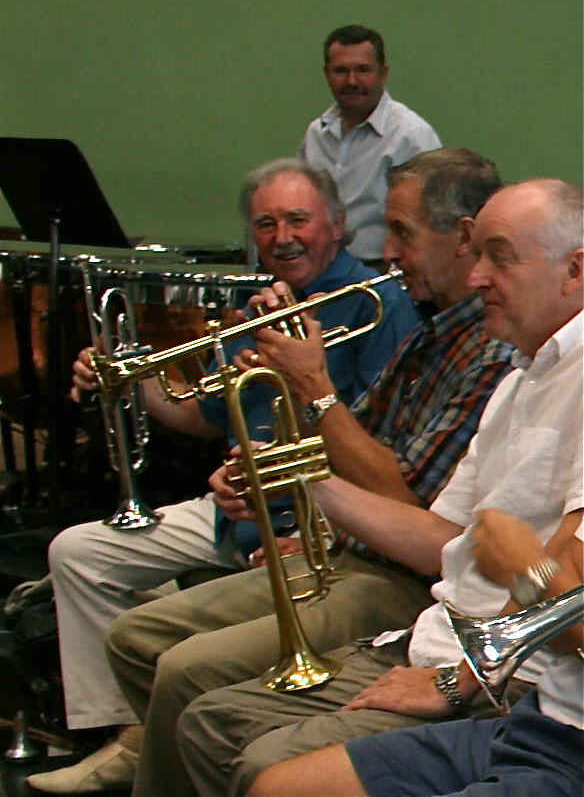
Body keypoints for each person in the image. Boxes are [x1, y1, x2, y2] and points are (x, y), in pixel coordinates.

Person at [93, 148, 516, 797]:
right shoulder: (432, 333)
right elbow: (346, 453)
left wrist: (313, 389)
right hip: (350, 548)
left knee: (188, 678)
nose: (388, 252)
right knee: (134, 638)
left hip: (404, 580)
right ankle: (159, 753)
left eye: (400, 232)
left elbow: (410, 504)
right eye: (266, 224)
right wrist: (268, 470)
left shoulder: (491, 353)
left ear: (461, 238)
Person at [171, 177, 583, 797]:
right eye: (478, 256)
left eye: (499, 258)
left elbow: (557, 589)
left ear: (575, 270)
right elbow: (443, 536)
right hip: (464, 648)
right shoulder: (520, 376)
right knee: (218, 726)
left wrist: (478, 652)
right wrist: (303, 479)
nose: (476, 278)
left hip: (516, 678)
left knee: (252, 750)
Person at [25, 157, 419, 794]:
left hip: (312, 513)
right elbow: (201, 414)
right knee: (77, 552)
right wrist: (129, 376)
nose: (282, 237)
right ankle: (126, 733)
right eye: (266, 224)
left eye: (298, 220)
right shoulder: (257, 300)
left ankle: (156, 743)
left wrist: (302, 388)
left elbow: (383, 456)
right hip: (234, 503)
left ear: (337, 225)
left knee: (182, 653)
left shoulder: (377, 304)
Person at [247, 509, 583, 797]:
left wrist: (528, 570)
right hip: (542, 721)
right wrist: (535, 579)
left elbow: (545, 576)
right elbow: (568, 584)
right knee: (277, 787)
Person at [299, 24, 441, 268]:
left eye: (363, 70)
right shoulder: (316, 134)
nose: (351, 81)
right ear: (326, 74)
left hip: (382, 271)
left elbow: (429, 222)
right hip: (321, 270)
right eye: (340, 71)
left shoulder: (410, 135)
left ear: (383, 74)